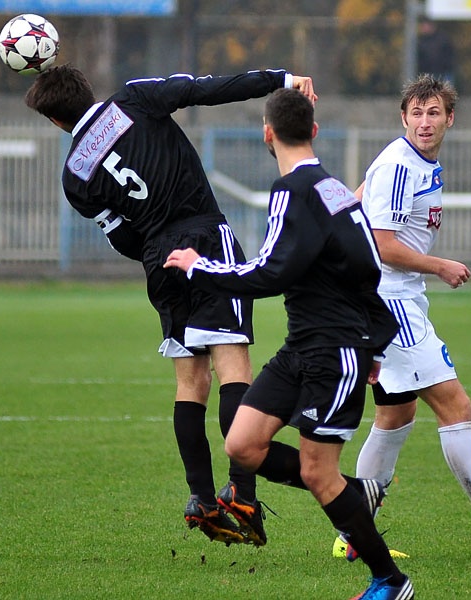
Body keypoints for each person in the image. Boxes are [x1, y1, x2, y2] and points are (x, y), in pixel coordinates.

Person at [24, 64, 317, 547]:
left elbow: (121, 238)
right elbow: (209, 89)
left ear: (55, 122)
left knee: (190, 384)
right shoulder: (133, 100)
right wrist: (279, 81)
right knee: (232, 368)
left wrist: (160, 251)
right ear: (88, 91)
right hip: (204, 236)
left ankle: (202, 498)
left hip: (160, 261)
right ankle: (242, 494)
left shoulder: (74, 175)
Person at [164, 87, 414, 600]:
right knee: (242, 444)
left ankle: (390, 580)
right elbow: (369, 268)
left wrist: (199, 267)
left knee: (317, 474)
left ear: (267, 132)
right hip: (306, 346)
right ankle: (356, 492)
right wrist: (377, 342)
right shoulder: (338, 190)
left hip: (332, 352)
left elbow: (269, 272)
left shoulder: (292, 191)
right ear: (315, 131)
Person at [332, 74, 471, 562]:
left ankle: (352, 531)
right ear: (403, 118)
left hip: (389, 299)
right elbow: (386, 245)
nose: (425, 122)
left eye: (433, 113)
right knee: (456, 407)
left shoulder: (411, 162)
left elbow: (353, 204)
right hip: (391, 304)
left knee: (396, 413)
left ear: (449, 118)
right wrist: (442, 265)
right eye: (416, 113)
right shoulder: (399, 165)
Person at [416, 18, 456, 85]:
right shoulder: (421, 40)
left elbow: (449, 55)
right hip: (428, 73)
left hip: (444, 72)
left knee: (446, 92)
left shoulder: (443, 38)